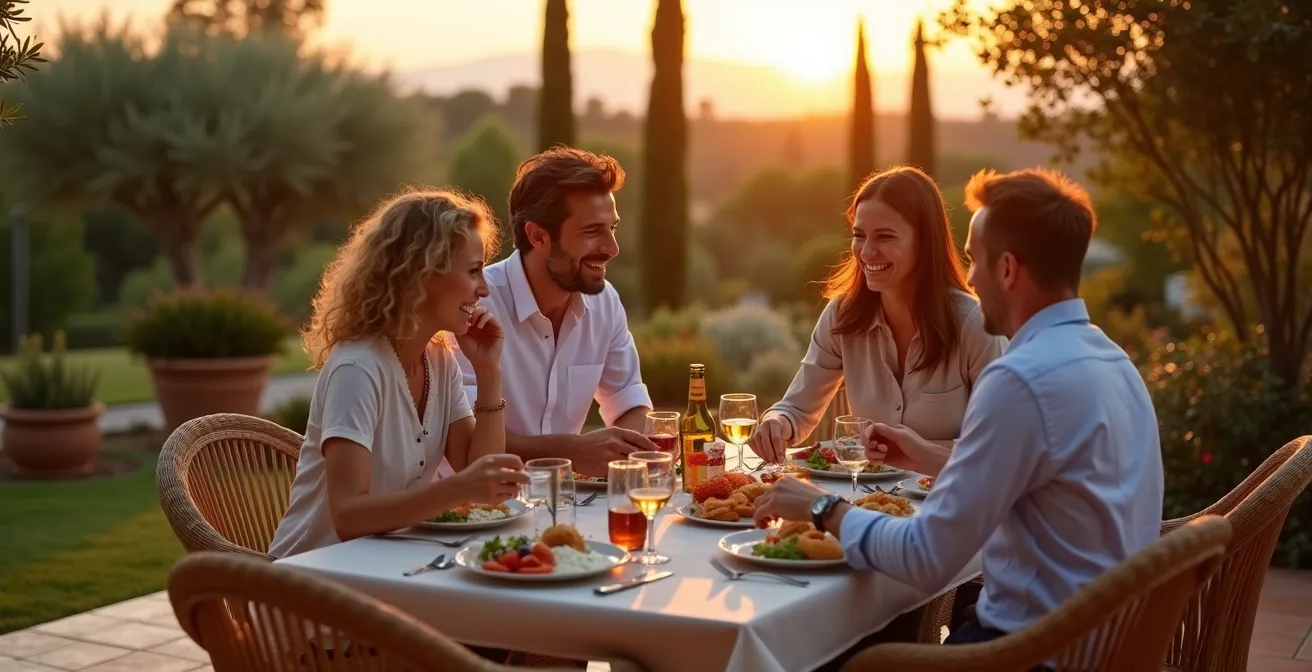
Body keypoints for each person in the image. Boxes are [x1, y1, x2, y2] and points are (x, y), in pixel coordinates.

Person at [753, 168, 1164, 670]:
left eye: (975, 260)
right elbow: (1034, 477)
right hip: (1107, 643)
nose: (968, 278)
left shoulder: (1019, 380)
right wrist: (927, 455)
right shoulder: (1112, 360)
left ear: (1007, 269)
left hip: (1029, 651)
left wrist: (820, 508)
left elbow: (926, 558)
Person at [269, 188, 527, 560]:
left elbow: (477, 474)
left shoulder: (439, 359)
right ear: (422, 274)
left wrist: (488, 372)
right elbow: (348, 517)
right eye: (473, 271)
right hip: (311, 575)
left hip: (387, 564)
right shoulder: (357, 368)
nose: (484, 289)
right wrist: (456, 490)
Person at [748, 166, 1006, 476]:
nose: (867, 252)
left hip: (951, 496)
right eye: (859, 236)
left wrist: (926, 453)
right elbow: (797, 408)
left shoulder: (975, 325)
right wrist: (777, 422)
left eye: (885, 236)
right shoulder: (842, 315)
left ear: (925, 242)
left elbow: (1002, 447)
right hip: (867, 496)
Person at [448, 147, 656, 478]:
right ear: (538, 236)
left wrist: (631, 452)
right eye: (592, 231)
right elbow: (465, 435)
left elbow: (628, 401)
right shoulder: (472, 305)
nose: (612, 248)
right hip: (475, 502)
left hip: (566, 497)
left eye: (612, 228)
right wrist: (570, 451)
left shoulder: (604, 302)